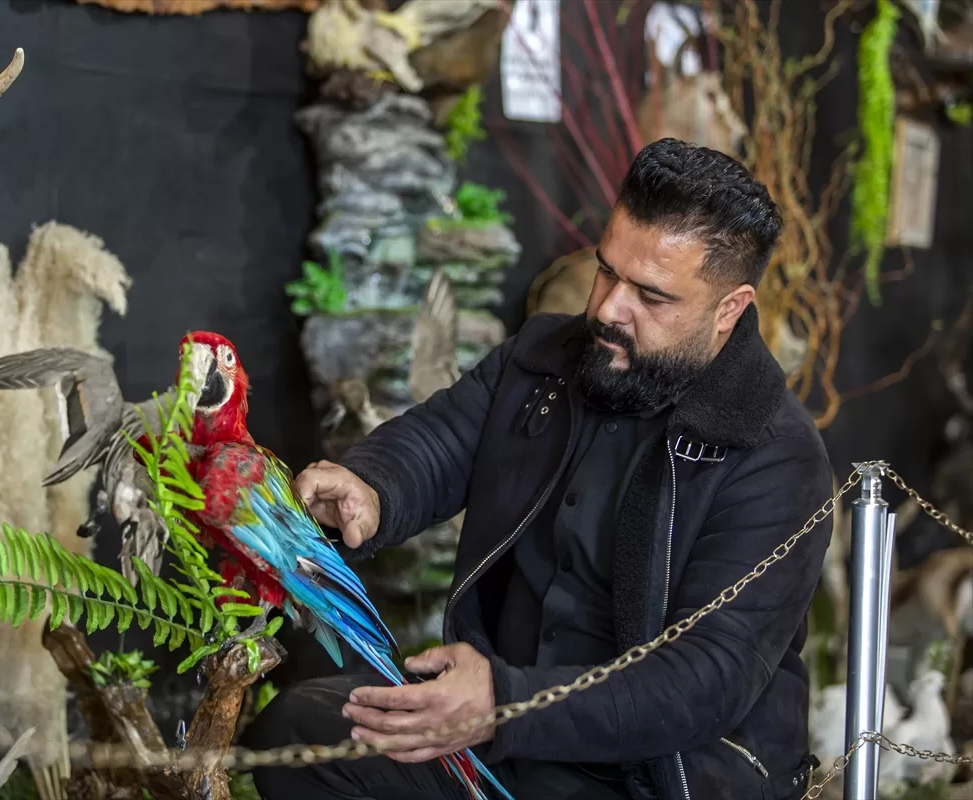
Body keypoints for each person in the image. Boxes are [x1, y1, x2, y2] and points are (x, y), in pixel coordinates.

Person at [242, 138, 833, 800]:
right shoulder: (546, 356)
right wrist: (371, 487)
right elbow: (441, 440)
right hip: (504, 738)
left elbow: (705, 681)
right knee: (299, 737)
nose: (608, 308)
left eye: (650, 295)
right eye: (607, 272)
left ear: (729, 308)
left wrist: (504, 703)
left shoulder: (775, 458)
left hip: (659, 774)